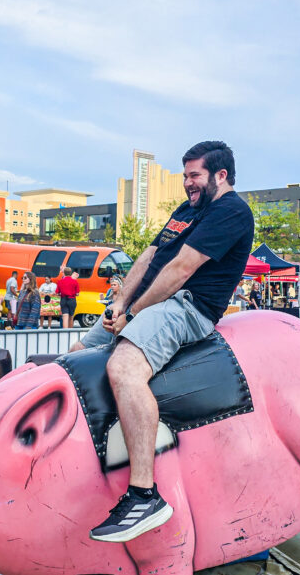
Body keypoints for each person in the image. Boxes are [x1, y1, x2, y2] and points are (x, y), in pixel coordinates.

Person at [69, 141, 253, 543]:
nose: (187, 183)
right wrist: (120, 303)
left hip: (187, 307)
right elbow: (150, 257)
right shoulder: (187, 210)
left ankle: (144, 495)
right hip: (143, 303)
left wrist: (133, 316)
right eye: (185, 175)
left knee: (124, 367)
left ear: (220, 175)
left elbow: (182, 269)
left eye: (194, 176)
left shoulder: (231, 211)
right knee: (76, 356)